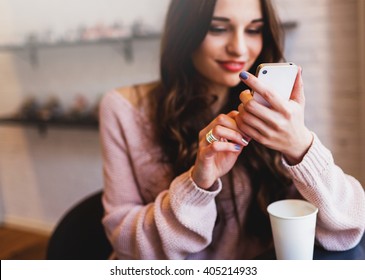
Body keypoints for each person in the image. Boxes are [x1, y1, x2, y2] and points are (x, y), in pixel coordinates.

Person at [99, 0, 365, 259]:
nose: (239, 49)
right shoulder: (124, 109)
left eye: (253, 30)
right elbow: (125, 242)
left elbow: (348, 227)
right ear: (185, 29)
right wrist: (197, 184)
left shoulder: (267, 108)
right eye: (218, 28)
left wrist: (301, 147)